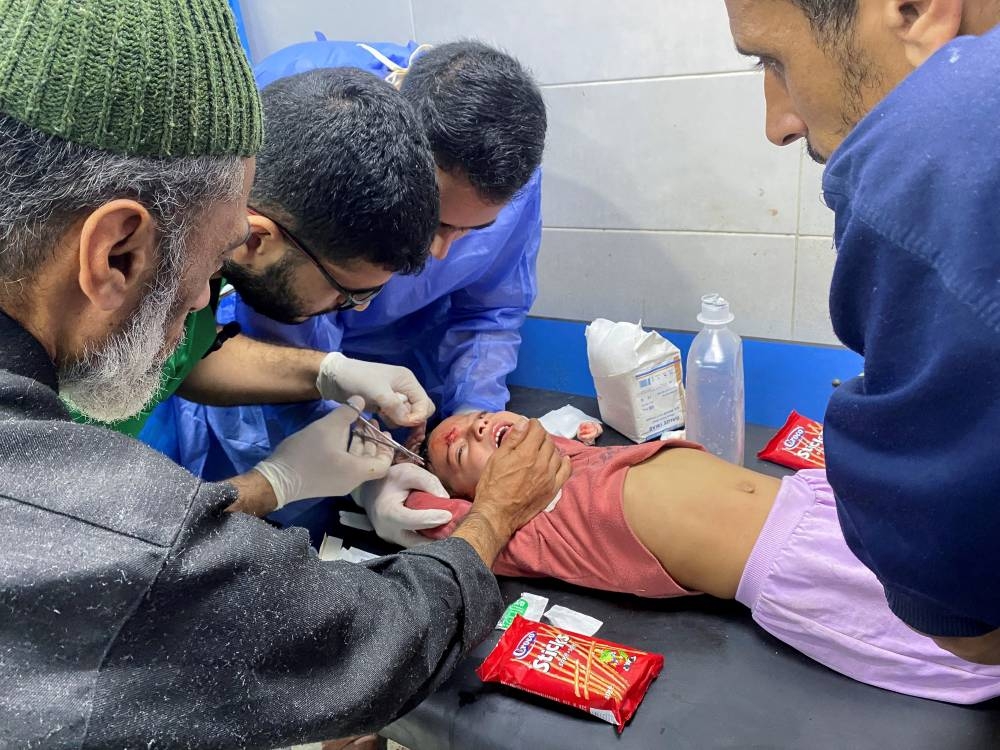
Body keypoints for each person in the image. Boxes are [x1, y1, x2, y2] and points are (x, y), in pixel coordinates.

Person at [0, 2, 570, 746]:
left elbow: (190, 363)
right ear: (114, 253)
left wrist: (327, 373)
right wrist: (489, 518)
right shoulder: (96, 522)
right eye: (210, 272)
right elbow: (363, 646)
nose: (207, 309)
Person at [168, 40, 547, 545]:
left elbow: (190, 360)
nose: (438, 253)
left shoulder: (503, 167)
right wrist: (280, 482)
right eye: (349, 293)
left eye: (471, 232)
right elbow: (143, 536)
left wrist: (333, 377)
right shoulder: (275, 153)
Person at [722, 0, 1000, 664]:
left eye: (774, 60)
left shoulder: (946, 146)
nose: (778, 126)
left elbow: (966, 625)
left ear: (914, 7)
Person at [398, 411, 1000, 704]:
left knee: (967, 553)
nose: (477, 430)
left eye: (479, 420)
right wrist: (390, 482)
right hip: (794, 569)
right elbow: (443, 529)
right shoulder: (525, 529)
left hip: (812, 498)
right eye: (461, 452)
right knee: (943, 624)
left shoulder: (575, 450)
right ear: (474, 497)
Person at [75, 65, 442, 489]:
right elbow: (75, 529)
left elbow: (180, 361)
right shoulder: (71, 322)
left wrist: (326, 372)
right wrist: (273, 486)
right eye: (345, 293)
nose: (356, 308)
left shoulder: (202, 241)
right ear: (256, 240)